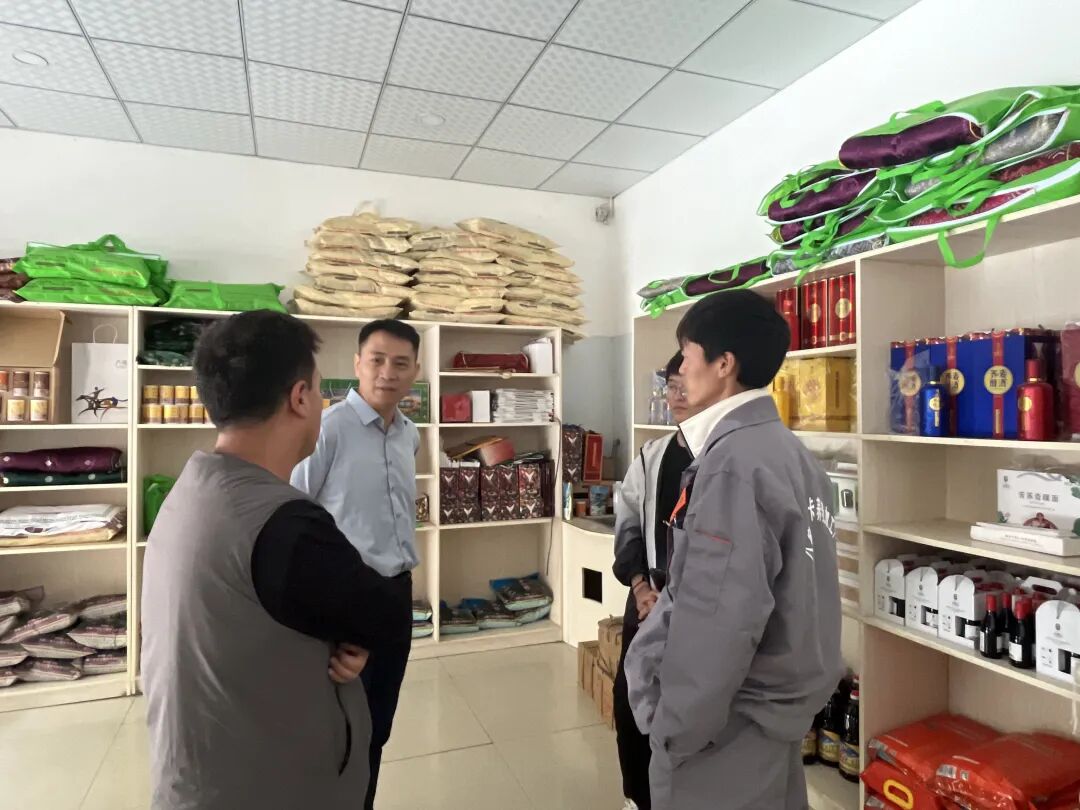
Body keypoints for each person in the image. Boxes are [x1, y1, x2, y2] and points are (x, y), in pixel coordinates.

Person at [142, 311, 411, 810]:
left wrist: (346, 633)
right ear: (300, 397)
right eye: (319, 389)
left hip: (201, 774)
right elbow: (384, 616)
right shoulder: (284, 524)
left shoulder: (194, 486)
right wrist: (357, 629)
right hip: (261, 783)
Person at [625, 289, 843, 810]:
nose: (680, 370)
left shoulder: (732, 465)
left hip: (724, 728)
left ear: (724, 364)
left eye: (687, 355)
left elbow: (718, 617)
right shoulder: (789, 452)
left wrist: (674, 726)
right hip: (773, 718)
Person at [291, 319, 421, 810]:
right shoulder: (329, 429)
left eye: (401, 363)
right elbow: (296, 516)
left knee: (378, 725)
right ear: (356, 364)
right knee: (342, 730)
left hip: (396, 593)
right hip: (346, 596)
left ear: (415, 372)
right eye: (377, 360)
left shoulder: (409, 434)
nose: (388, 372)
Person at [612, 352, 695, 810]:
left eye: (686, 386)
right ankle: (638, 797)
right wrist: (641, 587)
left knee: (687, 707)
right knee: (631, 699)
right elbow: (628, 521)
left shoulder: (725, 458)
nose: (676, 397)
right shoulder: (653, 455)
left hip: (698, 607)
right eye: (670, 387)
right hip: (646, 600)